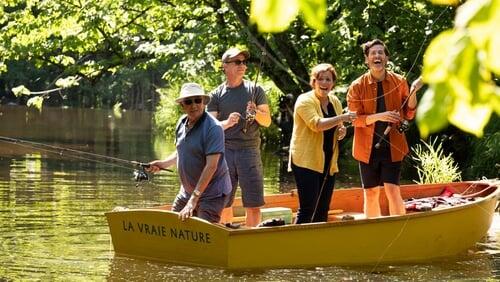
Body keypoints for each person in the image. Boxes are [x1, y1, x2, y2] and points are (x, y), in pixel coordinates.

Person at [347, 39, 422, 218]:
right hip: (366, 149)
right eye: (373, 53)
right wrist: (379, 116)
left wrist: (413, 91)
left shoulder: (399, 81)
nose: (377, 56)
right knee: (371, 192)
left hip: (393, 146)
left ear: (387, 58)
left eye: (381, 52)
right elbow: (354, 120)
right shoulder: (356, 86)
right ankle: (372, 231)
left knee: (392, 189)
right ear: (366, 60)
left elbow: (409, 113)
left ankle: (397, 230)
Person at [147, 83, 231, 223]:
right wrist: (163, 164)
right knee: (173, 225)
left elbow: (211, 166)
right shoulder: (181, 122)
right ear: (182, 105)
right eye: (188, 101)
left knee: (203, 233)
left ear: (204, 102)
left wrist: (193, 199)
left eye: (197, 100)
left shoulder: (214, 128)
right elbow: (182, 151)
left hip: (212, 193)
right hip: (187, 192)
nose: (194, 105)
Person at [207, 47, 272, 227]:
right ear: (225, 66)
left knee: (253, 202)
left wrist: (256, 112)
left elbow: (267, 121)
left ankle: (251, 237)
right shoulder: (215, 95)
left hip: (250, 150)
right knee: (224, 199)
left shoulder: (255, 90)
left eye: (244, 62)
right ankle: (225, 234)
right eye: (237, 62)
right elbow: (210, 127)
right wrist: (227, 122)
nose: (242, 65)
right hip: (225, 150)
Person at [288, 63, 356, 224]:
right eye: (320, 79)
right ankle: (298, 243)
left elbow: (339, 128)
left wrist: (342, 131)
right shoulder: (304, 100)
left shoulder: (334, 101)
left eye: (328, 79)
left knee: (323, 208)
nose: (324, 83)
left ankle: (316, 244)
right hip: (306, 161)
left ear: (333, 83)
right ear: (314, 81)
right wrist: (342, 118)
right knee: (307, 208)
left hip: (328, 161)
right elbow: (316, 125)